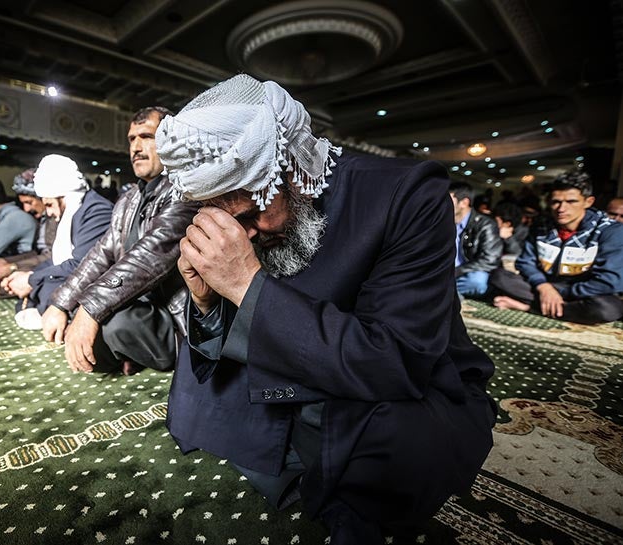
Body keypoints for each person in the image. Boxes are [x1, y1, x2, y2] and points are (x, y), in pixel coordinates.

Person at [156, 74, 496, 544]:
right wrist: (207, 300)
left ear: (293, 171)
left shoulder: (407, 194)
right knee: (197, 391)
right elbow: (233, 328)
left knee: (404, 447)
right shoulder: (252, 209)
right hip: (292, 363)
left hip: (385, 378)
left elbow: (395, 359)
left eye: (251, 215)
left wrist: (244, 283)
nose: (244, 235)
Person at [40, 107, 199, 375]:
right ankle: (129, 352)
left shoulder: (186, 191)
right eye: (131, 139)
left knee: (114, 322)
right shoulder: (129, 199)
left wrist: (90, 310)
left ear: (172, 141)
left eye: (147, 137)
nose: (136, 147)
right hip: (140, 306)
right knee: (85, 314)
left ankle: (138, 352)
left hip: (176, 320)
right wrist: (61, 303)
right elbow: (100, 256)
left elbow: (148, 258)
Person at [490, 171, 623, 324]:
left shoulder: (610, 231)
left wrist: (559, 292)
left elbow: (609, 280)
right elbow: (525, 262)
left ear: (588, 202)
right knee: (499, 277)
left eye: (571, 202)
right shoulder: (542, 225)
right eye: (556, 202)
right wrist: (543, 287)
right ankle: (561, 309)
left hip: (584, 291)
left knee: (608, 308)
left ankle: (530, 307)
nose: (561, 209)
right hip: (546, 285)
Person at [2, 154, 112, 329]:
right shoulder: (75, 209)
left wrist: (31, 280)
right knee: (40, 284)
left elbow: (81, 266)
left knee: (47, 289)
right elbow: (57, 260)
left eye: (49, 205)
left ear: (63, 196)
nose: (49, 213)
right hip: (76, 276)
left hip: (95, 282)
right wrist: (27, 274)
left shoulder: (97, 211)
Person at [0, 169, 57, 291]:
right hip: (36, 265)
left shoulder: (56, 219)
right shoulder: (43, 219)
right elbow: (37, 253)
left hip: (48, 270)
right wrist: (2, 261)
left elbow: (53, 257)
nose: (26, 209)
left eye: (29, 202)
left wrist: (12, 267)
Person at [449, 181, 502, 297]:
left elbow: (489, 259)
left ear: (464, 203)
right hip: (444, 271)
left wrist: (458, 271)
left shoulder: (485, 225)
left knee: (477, 282)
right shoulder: (440, 221)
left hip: (467, 272)